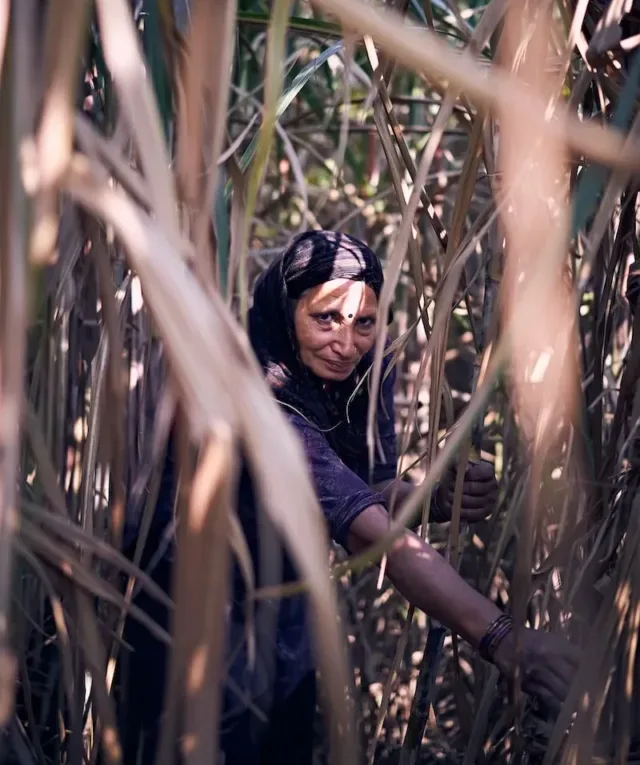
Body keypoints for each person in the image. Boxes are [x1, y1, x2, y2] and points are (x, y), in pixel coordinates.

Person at [120, 230, 577, 765]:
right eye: (325, 319)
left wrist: (433, 497)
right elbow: (369, 528)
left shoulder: (363, 366)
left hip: (284, 610)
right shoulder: (247, 390)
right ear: (287, 313)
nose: (346, 342)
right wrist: (502, 638)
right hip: (192, 618)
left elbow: (367, 487)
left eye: (364, 322)